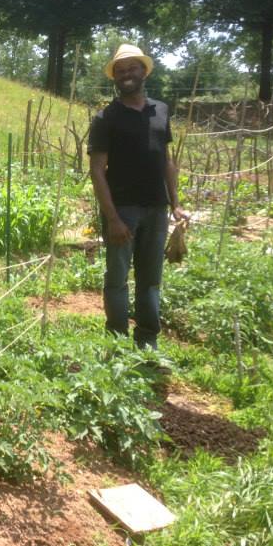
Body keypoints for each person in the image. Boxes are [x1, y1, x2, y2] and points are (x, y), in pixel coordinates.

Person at [87, 44, 187, 349]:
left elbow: (166, 161)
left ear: (143, 71)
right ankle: (117, 340)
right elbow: (97, 171)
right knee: (117, 278)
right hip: (123, 209)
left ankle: (148, 342)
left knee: (151, 278)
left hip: (156, 208)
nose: (126, 74)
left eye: (132, 68)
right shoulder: (106, 118)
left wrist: (176, 203)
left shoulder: (161, 110)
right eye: (120, 70)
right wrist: (113, 218)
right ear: (114, 77)